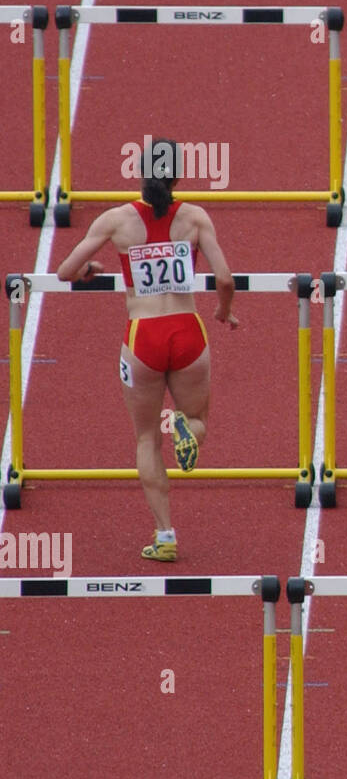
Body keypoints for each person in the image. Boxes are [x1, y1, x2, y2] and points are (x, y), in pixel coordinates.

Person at [55, 138, 237, 561]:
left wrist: (86, 271)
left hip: (143, 338)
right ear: (177, 176)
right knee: (196, 418)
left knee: (146, 437)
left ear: (141, 175)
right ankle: (189, 430)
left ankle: (166, 535)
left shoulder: (116, 221)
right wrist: (224, 312)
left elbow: (64, 271)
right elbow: (225, 277)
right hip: (188, 331)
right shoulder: (195, 217)